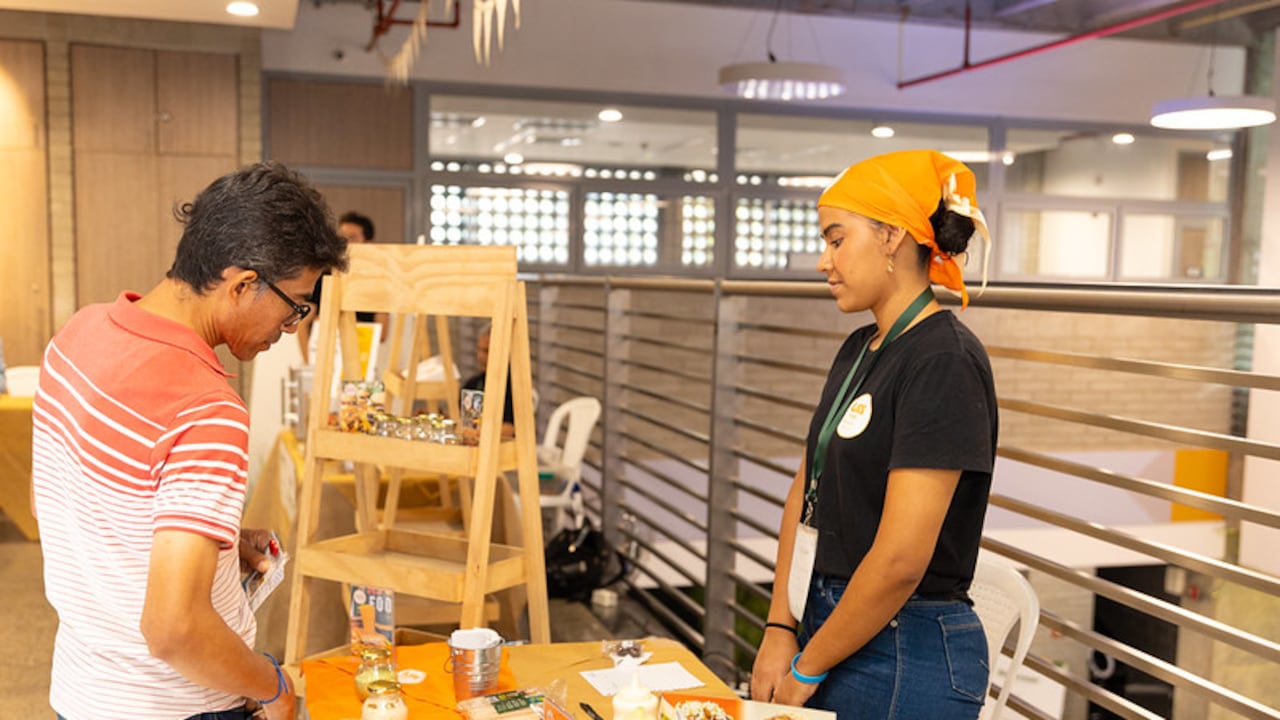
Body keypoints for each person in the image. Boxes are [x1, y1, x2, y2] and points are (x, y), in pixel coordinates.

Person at [31, 162, 349, 720]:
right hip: (177, 703)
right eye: (296, 304)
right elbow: (175, 628)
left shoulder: (76, 335)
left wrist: (217, 547)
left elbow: (65, 511)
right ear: (244, 283)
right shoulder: (207, 409)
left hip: (83, 691)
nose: (293, 324)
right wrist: (274, 687)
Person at [750, 150, 999, 719]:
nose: (823, 261)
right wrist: (779, 625)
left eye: (836, 240)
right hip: (829, 626)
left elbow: (900, 560)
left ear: (891, 237)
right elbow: (805, 490)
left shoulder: (944, 362)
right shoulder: (860, 349)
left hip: (903, 650)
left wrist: (807, 666)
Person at [296, 210, 389, 364]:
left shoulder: (376, 282)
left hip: (362, 360)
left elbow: (382, 333)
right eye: (341, 238)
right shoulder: (324, 277)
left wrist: (339, 324)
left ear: (368, 243)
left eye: (352, 238)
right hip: (324, 360)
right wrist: (309, 364)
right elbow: (302, 325)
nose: (345, 243)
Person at [461, 324, 516, 440]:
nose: (480, 356)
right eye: (479, 350)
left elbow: (510, 428)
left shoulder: (513, 388)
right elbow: (462, 419)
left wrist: (477, 431)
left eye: (486, 351)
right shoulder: (472, 384)